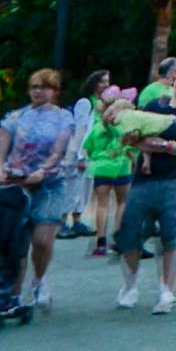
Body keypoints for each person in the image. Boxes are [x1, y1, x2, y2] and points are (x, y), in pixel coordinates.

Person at [117, 61, 176, 313]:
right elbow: (134, 138)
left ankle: (165, 290)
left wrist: (163, 146)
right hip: (144, 180)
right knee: (130, 234)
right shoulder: (153, 106)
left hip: (175, 180)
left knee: (171, 235)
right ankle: (130, 286)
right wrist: (155, 143)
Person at [0, 68, 77, 308]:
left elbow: (59, 151)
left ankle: (39, 280)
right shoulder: (16, 117)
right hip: (16, 182)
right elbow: (1, 149)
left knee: (41, 240)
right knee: (15, 240)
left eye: (44, 87)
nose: (38, 91)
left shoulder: (64, 118)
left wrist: (44, 169)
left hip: (48, 183)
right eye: (34, 87)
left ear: (55, 91)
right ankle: (13, 293)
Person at [81, 78, 132, 256]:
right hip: (122, 166)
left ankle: (100, 242)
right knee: (122, 202)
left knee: (101, 204)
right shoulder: (125, 127)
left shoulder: (97, 127)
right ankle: (117, 238)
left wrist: (96, 157)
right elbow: (133, 149)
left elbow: (87, 148)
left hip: (101, 168)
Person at [60, 69, 106, 240]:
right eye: (102, 81)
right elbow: (82, 130)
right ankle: (62, 222)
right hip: (82, 152)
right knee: (73, 187)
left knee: (85, 188)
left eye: (107, 81)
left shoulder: (101, 103)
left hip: (94, 152)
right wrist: (80, 155)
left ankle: (78, 220)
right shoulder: (85, 103)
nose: (105, 85)